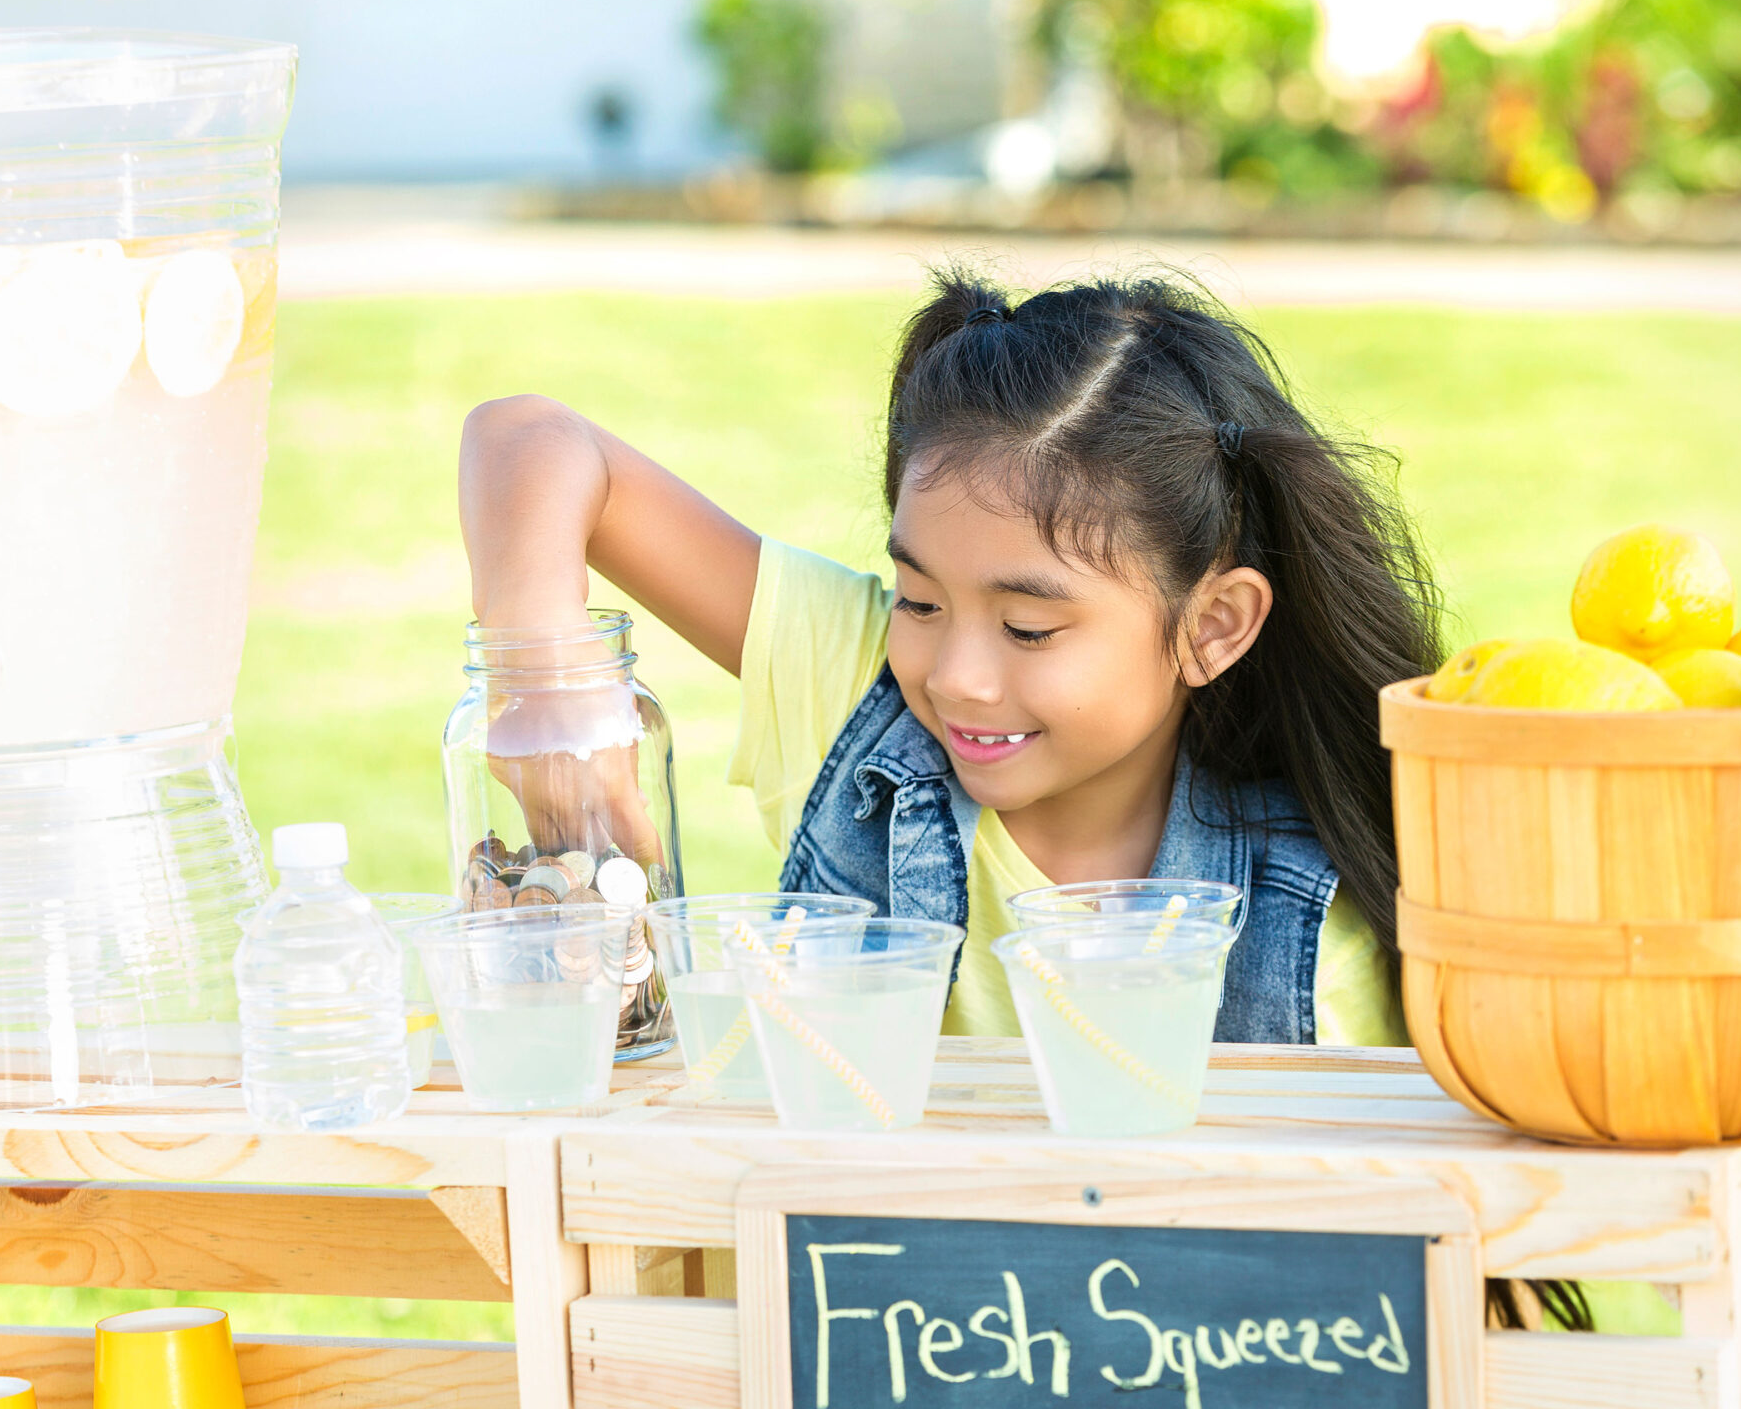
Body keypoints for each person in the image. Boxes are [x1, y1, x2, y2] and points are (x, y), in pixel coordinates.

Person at [454, 266, 1440, 1047]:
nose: (955, 674)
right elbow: (528, 438)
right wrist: (546, 679)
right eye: (919, 600)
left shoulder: (1328, 907)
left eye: (1028, 628)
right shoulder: (850, 683)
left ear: (1213, 626)